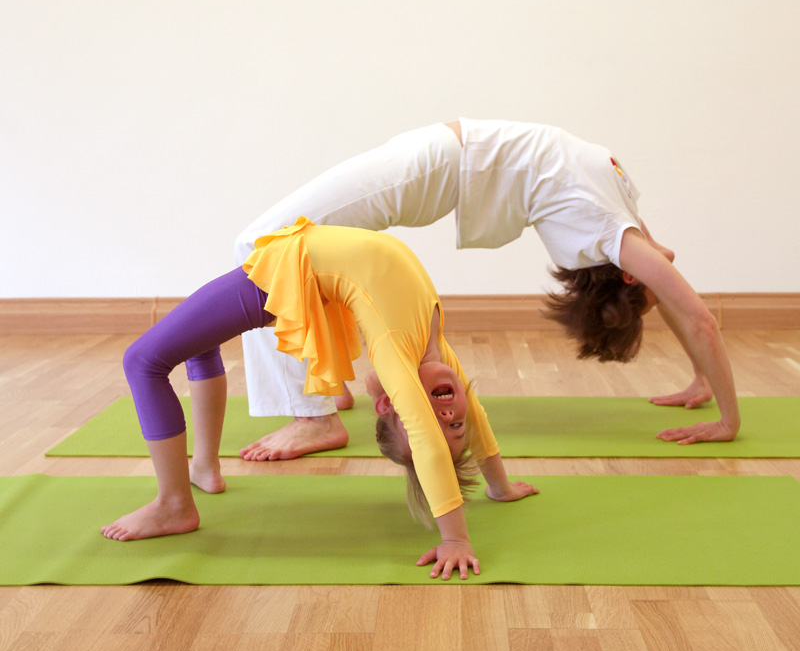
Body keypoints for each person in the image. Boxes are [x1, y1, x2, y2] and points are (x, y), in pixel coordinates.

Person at [234, 119, 740, 460]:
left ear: (629, 278)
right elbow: (694, 313)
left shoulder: (613, 226)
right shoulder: (620, 228)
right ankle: (320, 389)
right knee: (297, 245)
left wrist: (715, 397)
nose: (664, 266)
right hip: (435, 159)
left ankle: (313, 418)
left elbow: (689, 309)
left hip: (437, 164)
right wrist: (717, 401)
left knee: (261, 244)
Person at [101, 219, 538, 581]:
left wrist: (456, 540)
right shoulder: (431, 350)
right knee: (196, 344)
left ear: (391, 405)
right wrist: (498, 486)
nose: (447, 414)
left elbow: (426, 438)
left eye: (433, 419)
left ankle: (173, 505)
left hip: (287, 276)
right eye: (454, 424)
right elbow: (475, 415)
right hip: (300, 273)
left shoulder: (394, 355)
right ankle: (201, 470)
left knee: (142, 362)